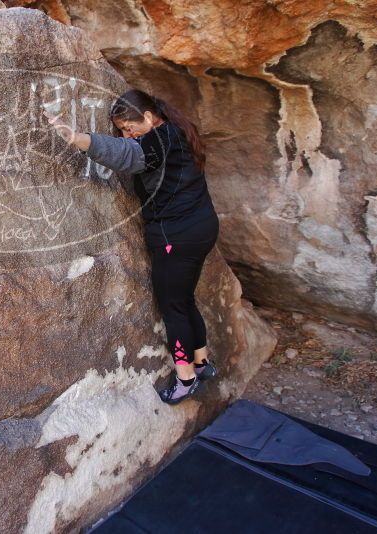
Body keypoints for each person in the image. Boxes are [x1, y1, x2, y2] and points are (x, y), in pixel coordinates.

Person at [43, 88, 220, 405]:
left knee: (172, 307)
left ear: (149, 117)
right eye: (122, 130)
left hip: (175, 238)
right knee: (184, 299)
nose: (127, 135)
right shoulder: (176, 131)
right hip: (201, 228)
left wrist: (77, 138)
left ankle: (185, 379)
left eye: (130, 127)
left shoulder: (157, 141)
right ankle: (202, 363)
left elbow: (125, 155)